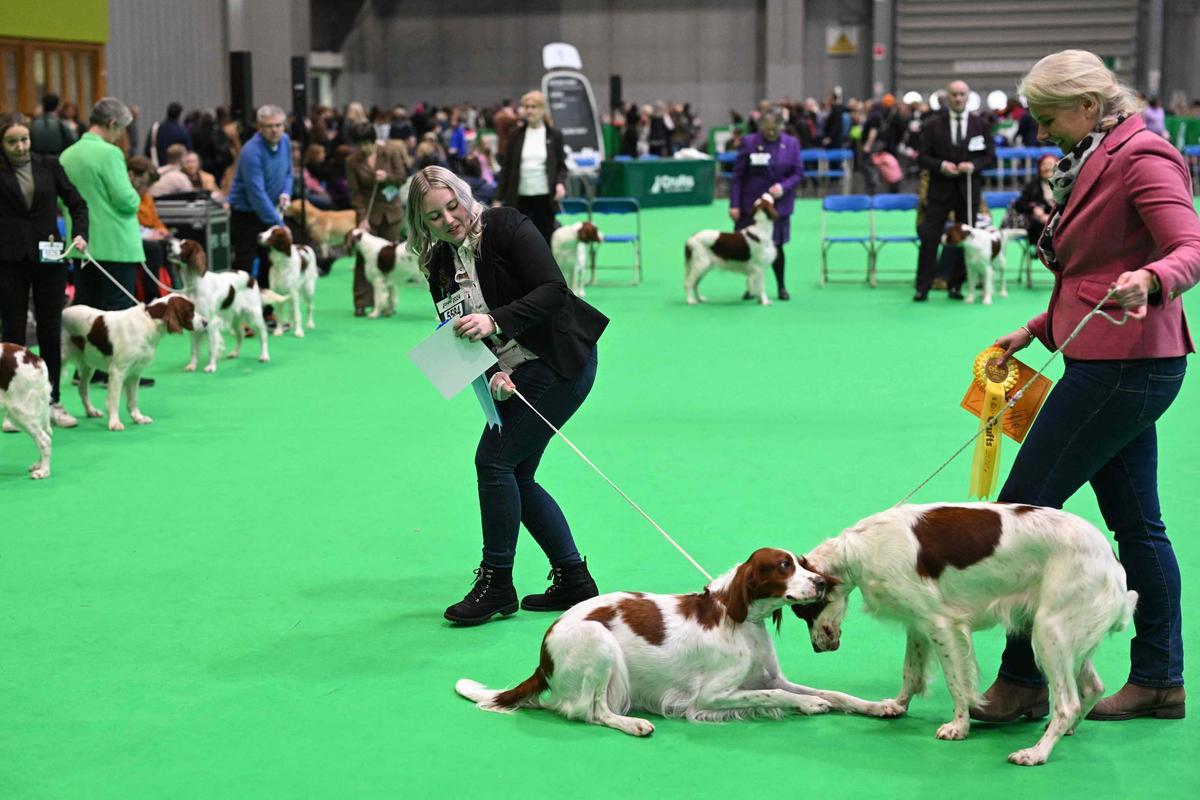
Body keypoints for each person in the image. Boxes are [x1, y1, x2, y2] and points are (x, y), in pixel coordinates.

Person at [975, 49, 1200, 724]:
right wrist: (1036, 329)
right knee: (1137, 525)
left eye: (1048, 118)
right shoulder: (1094, 157)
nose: (1041, 131)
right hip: (1104, 361)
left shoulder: (1143, 157)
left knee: (1022, 515)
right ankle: (1160, 679)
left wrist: (1154, 280)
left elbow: (1189, 246)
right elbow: (1091, 270)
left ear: (1090, 108)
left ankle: (1022, 682)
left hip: (1126, 367)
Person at [406, 166, 608, 626]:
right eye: (434, 217)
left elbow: (554, 291)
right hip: (515, 373)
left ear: (464, 195)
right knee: (515, 472)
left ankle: (497, 583)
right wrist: (493, 372)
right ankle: (574, 578)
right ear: (423, 224)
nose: (449, 220)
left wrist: (496, 321)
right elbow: (458, 333)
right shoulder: (439, 264)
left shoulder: (507, 226)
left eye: (452, 206)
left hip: (561, 361)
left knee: (494, 462)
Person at [0, 112, 88, 427]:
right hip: (8, 261)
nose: (20, 146)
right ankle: (14, 405)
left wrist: (80, 234)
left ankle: (53, 401)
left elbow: (77, 203)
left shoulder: (49, 165)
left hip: (49, 256)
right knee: (12, 333)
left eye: (24, 139)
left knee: (51, 330)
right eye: (12, 141)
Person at [913, 79, 995, 301]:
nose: (958, 98)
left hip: (968, 192)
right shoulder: (932, 125)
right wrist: (941, 166)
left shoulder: (981, 125)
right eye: (954, 95)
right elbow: (922, 158)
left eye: (961, 94)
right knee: (930, 238)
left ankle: (956, 285)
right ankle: (923, 287)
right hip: (939, 192)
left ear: (968, 97)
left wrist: (973, 166)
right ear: (947, 98)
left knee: (966, 239)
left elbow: (990, 157)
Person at [729, 108, 803, 301]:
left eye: (774, 129)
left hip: (778, 207)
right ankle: (751, 287)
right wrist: (734, 204)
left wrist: (783, 186)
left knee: (777, 246)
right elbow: (737, 176)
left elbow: (797, 173)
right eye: (767, 128)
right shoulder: (749, 142)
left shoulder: (792, 144)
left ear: (781, 126)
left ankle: (781, 287)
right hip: (751, 207)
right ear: (761, 126)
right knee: (750, 248)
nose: (770, 132)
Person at [226, 105, 291, 289]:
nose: (275, 130)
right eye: (269, 126)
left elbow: (288, 172)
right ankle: (241, 310)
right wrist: (280, 224)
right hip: (246, 214)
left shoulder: (285, 141)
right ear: (259, 127)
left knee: (269, 262)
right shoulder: (251, 152)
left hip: (269, 211)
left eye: (279, 125)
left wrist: (286, 192)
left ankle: (267, 310)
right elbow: (257, 194)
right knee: (245, 264)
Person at [346, 122, 407, 315]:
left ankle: (389, 303)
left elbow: (401, 177)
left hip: (392, 212)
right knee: (364, 259)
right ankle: (361, 302)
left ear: (374, 140)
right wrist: (362, 218)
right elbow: (355, 193)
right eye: (360, 144)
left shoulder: (390, 152)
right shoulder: (351, 161)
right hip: (368, 215)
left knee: (391, 259)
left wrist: (387, 177)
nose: (364, 148)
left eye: (367, 143)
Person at [494, 90, 567, 245]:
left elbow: (561, 166)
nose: (529, 110)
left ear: (542, 109)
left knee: (545, 239)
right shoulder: (515, 135)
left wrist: (560, 183)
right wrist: (498, 198)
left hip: (545, 198)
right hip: (519, 198)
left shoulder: (555, 135)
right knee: (518, 239)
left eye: (534, 107)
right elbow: (507, 168)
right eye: (526, 106)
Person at [1012, 154, 1057, 245]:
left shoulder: (1066, 184)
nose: (1047, 168)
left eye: (1050, 164)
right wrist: (1033, 208)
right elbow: (1019, 204)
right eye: (1044, 164)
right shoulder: (1032, 186)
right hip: (1039, 226)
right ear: (1039, 168)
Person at [144, 102, 193, 168]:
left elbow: (147, 149)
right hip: (175, 168)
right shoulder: (182, 132)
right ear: (179, 115)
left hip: (157, 167)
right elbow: (189, 150)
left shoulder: (156, 128)